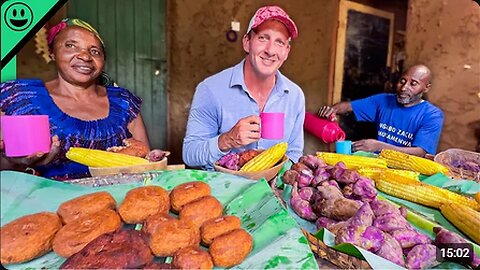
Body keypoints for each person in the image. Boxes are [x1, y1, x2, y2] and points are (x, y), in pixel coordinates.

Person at [0, 18, 151, 180]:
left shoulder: (124, 103)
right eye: (71, 45)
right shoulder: (20, 98)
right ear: (52, 52)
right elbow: (4, 170)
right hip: (43, 202)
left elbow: (148, 166)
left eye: (95, 51)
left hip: (114, 200)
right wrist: (16, 163)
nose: (85, 56)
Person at [183, 5, 305, 169]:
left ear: (286, 51)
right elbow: (190, 154)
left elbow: (294, 153)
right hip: (224, 190)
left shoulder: (294, 96)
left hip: (272, 191)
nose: (270, 50)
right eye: (263, 38)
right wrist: (227, 140)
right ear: (247, 43)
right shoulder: (210, 89)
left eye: (279, 42)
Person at [318, 65, 444, 157]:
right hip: (377, 165)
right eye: (402, 81)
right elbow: (348, 106)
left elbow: (420, 152)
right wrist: (332, 110)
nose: (404, 88)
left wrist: (378, 146)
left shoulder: (432, 115)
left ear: (426, 88)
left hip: (407, 173)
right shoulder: (383, 101)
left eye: (413, 84)